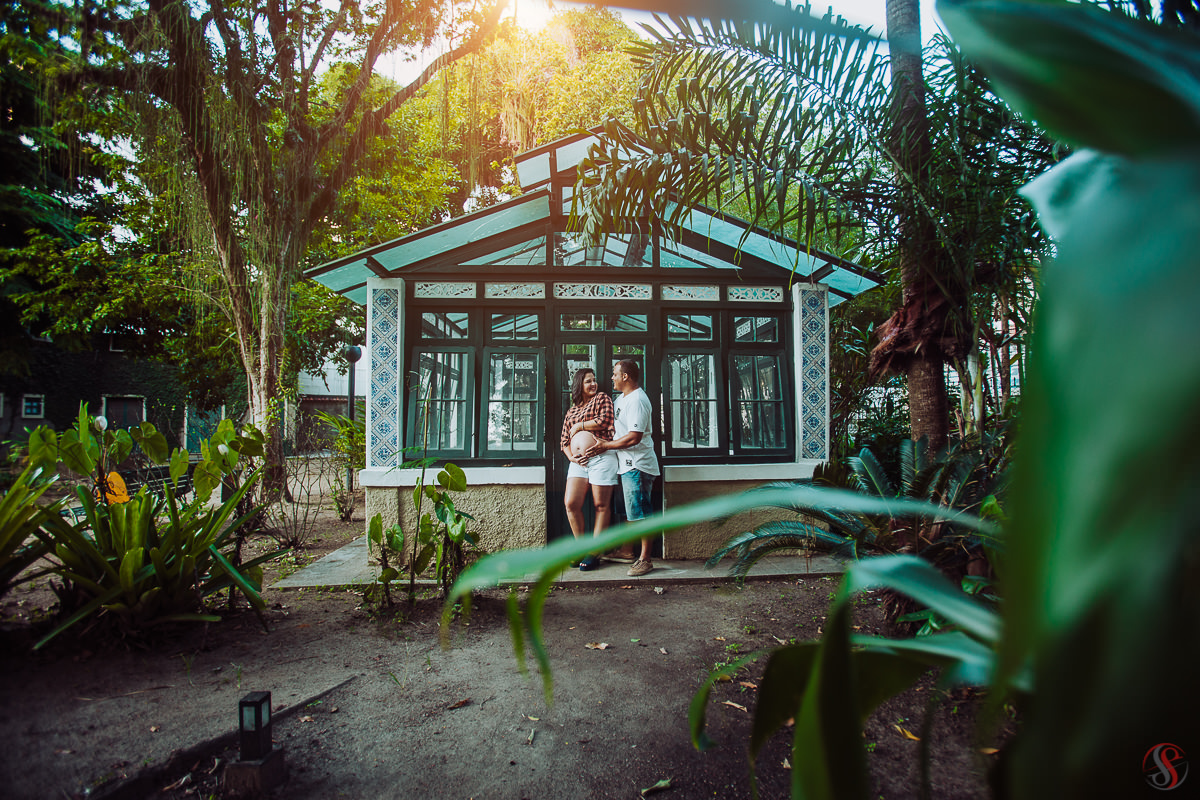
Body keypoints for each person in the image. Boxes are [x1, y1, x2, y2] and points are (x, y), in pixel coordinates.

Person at [586, 359, 660, 577]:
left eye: (615, 374)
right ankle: (627, 552)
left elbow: (634, 438)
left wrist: (605, 446)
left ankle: (645, 559)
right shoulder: (621, 400)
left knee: (641, 513)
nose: (612, 378)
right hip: (625, 465)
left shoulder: (637, 400)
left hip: (638, 465)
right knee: (632, 511)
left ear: (625, 376)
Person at [560, 367, 619, 570]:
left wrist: (580, 427)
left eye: (594, 380)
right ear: (579, 385)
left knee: (601, 505)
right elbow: (564, 441)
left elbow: (605, 420)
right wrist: (572, 457)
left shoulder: (602, 398)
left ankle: (594, 552)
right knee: (571, 503)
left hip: (602, 458)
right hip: (578, 463)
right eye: (588, 381)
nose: (593, 384)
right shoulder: (571, 411)